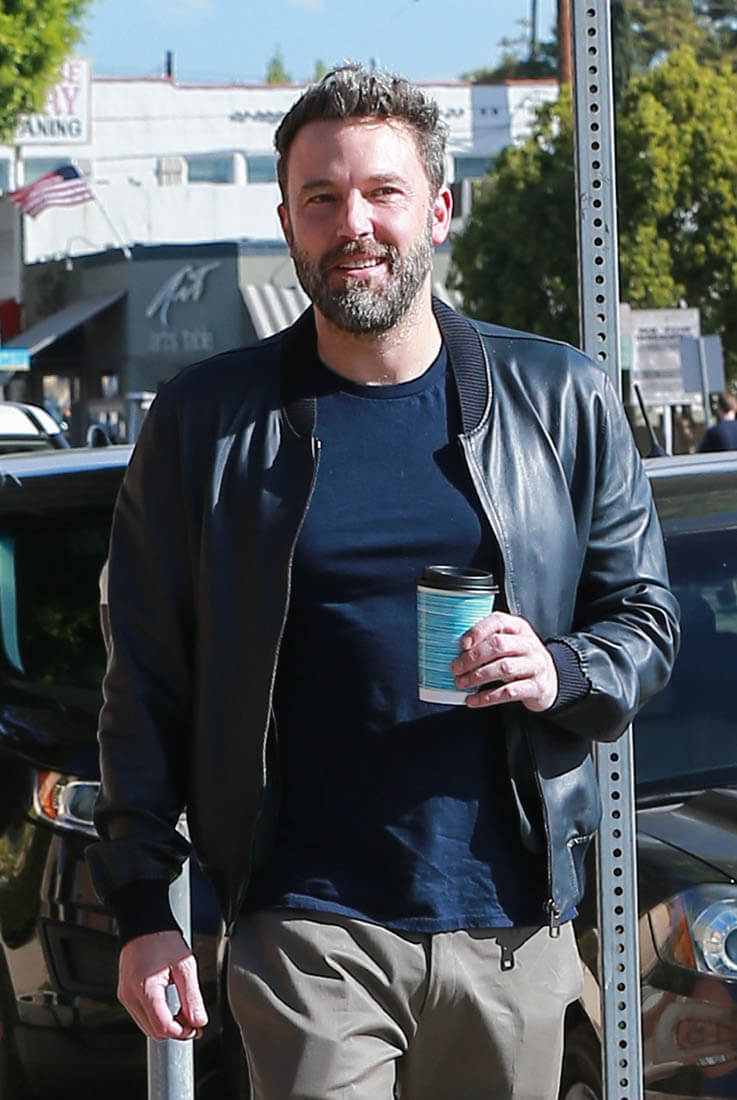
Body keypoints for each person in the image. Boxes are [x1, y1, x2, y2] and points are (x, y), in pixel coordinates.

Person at [87, 64, 680, 1100]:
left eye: (381, 192)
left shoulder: (560, 398)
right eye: (320, 199)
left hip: (509, 925)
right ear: (286, 224)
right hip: (305, 925)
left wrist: (561, 666)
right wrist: (143, 905)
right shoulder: (205, 423)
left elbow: (646, 619)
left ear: (438, 210)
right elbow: (143, 677)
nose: (352, 224)